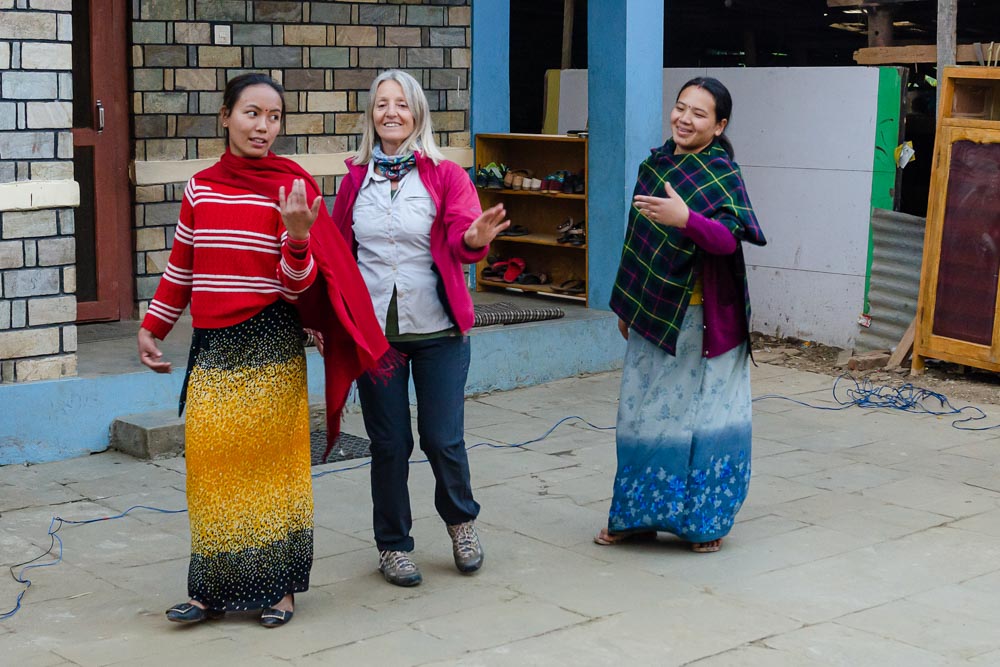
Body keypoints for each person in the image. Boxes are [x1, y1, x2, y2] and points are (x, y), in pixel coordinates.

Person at [138, 73, 388, 627]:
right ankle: (210, 591)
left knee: (275, 469)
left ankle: (280, 592)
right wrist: (153, 325)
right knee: (212, 468)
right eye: (252, 113)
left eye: (273, 117)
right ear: (225, 116)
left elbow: (299, 286)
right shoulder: (200, 187)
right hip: (213, 347)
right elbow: (183, 265)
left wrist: (298, 236)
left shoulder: (292, 187)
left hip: (271, 339)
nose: (263, 126)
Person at [327, 70, 509, 586]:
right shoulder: (353, 182)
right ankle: (392, 545)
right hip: (376, 337)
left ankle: (461, 523)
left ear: (418, 114)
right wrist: (328, 318)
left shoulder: (445, 175)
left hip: (438, 332)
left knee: (442, 438)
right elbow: (339, 256)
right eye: (381, 104)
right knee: (389, 444)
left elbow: (463, 237)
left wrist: (474, 237)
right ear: (370, 115)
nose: (391, 113)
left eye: (401, 104)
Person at [596, 77, 767, 553]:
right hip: (654, 315)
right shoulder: (655, 166)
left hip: (704, 322)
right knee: (640, 415)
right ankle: (635, 517)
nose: (684, 119)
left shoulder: (721, 173)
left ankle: (703, 523)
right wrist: (630, 304)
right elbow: (637, 242)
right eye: (680, 108)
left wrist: (685, 219)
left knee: (706, 420)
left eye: (698, 114)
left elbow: (730, 241)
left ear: (719, 126)